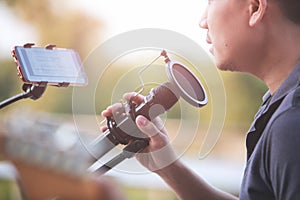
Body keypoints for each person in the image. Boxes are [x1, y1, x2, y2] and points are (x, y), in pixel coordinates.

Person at [102, 0, 300, 199]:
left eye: (211, 2)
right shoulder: (280, 105)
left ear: (255, 8)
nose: (203, 21)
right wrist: (168, 168)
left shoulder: (292, 124)